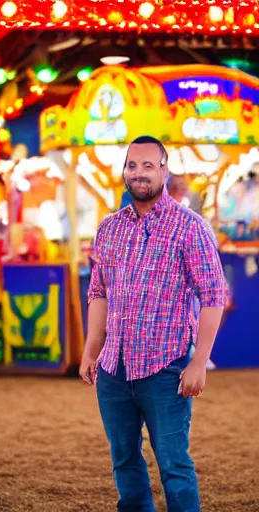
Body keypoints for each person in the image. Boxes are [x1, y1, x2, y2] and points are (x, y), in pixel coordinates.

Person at [79, 136, 227, 512]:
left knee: (174, 466)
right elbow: (99, 292)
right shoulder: (109, 228)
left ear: (164, 170)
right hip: (113, 369)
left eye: (148, 165)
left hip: (166, 368)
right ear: (124, 172)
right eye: (132, 165)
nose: (139, 173)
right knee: (124, 461)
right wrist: (91, 350)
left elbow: (213, 296)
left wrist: (198, 363)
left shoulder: (190, 227)